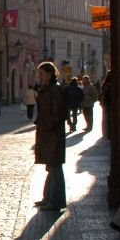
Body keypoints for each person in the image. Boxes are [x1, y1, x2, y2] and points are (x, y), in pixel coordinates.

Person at [33, 62, 67, 212]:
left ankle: (56, 202)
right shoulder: (47, 90)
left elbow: (58, 113)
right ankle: (48, 198)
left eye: (41, 73)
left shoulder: (55, 90)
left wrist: (48, 125)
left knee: (55, 167)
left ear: (49, 74)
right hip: (46, 134)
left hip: (53, 135)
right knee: (50, 167)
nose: (39, 76)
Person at [100, 69, 113, 138]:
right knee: (109, 118)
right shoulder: (109, 85)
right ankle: (109, 133)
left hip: (105, 103)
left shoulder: (104, 83)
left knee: (105, 118)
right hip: (109, 103)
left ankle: (106, 133)